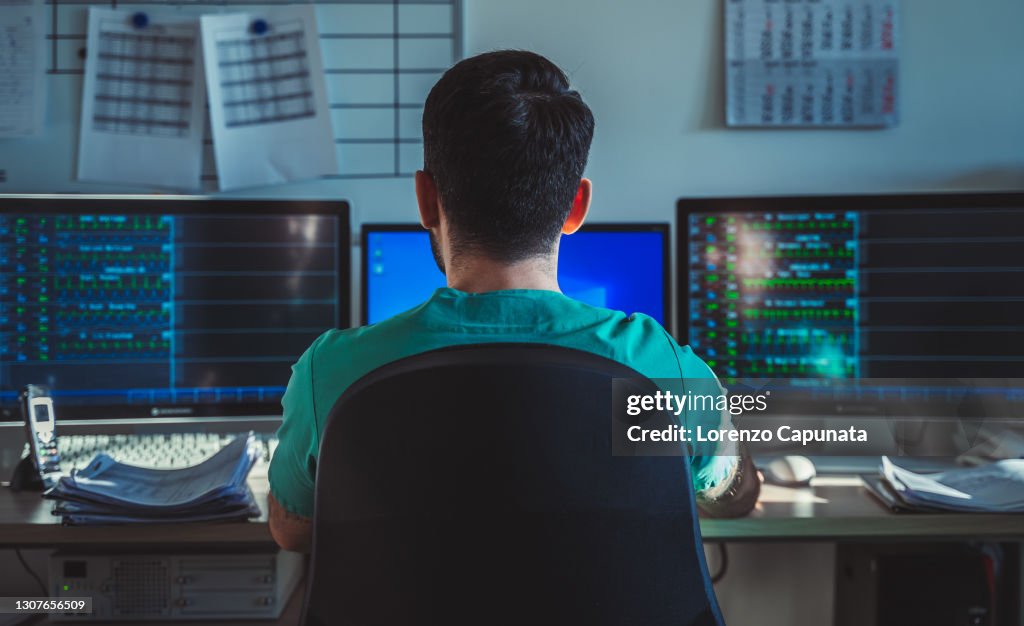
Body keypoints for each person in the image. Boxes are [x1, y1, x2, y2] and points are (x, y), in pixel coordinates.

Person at [267, 50, 760, 552]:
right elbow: (732, 496)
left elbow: (292, 530)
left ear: (425, 199)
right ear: (576, 206)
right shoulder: (659, 367)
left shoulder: (331, 372)